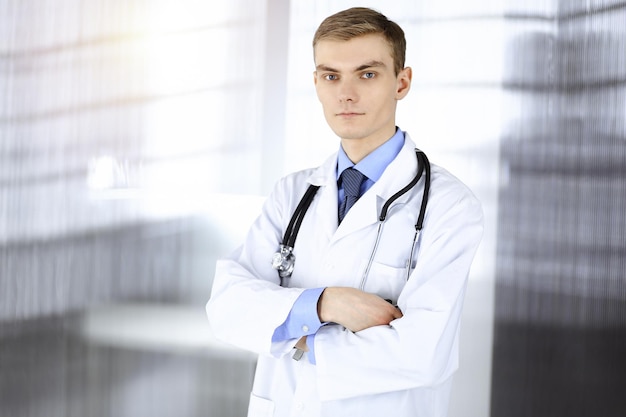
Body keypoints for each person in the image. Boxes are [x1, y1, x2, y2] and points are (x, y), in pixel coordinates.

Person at [206, 7, 483, 417]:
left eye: (367, 74)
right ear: (316, 82)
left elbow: (422, 351)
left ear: (401, 82)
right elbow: (228, 306)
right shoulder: (292, 193)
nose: (345, 94)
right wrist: (324, 306)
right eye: (331, 76)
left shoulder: (449, 205)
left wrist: (291, 332)